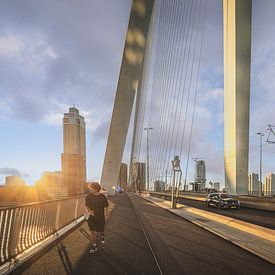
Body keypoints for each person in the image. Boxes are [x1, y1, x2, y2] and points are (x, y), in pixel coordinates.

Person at [85, 182, 109, 254]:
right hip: (91, 217)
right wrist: (90, 211)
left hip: (100, 216)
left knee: (101, 229)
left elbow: (106, 206)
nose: (90, 189)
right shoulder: (89, 196)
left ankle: (102, 235)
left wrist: (106, 213)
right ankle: (94, 247)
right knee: (92, 232)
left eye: (91, 188)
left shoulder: (103, 197)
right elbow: (86, 205)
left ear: (96, 189)